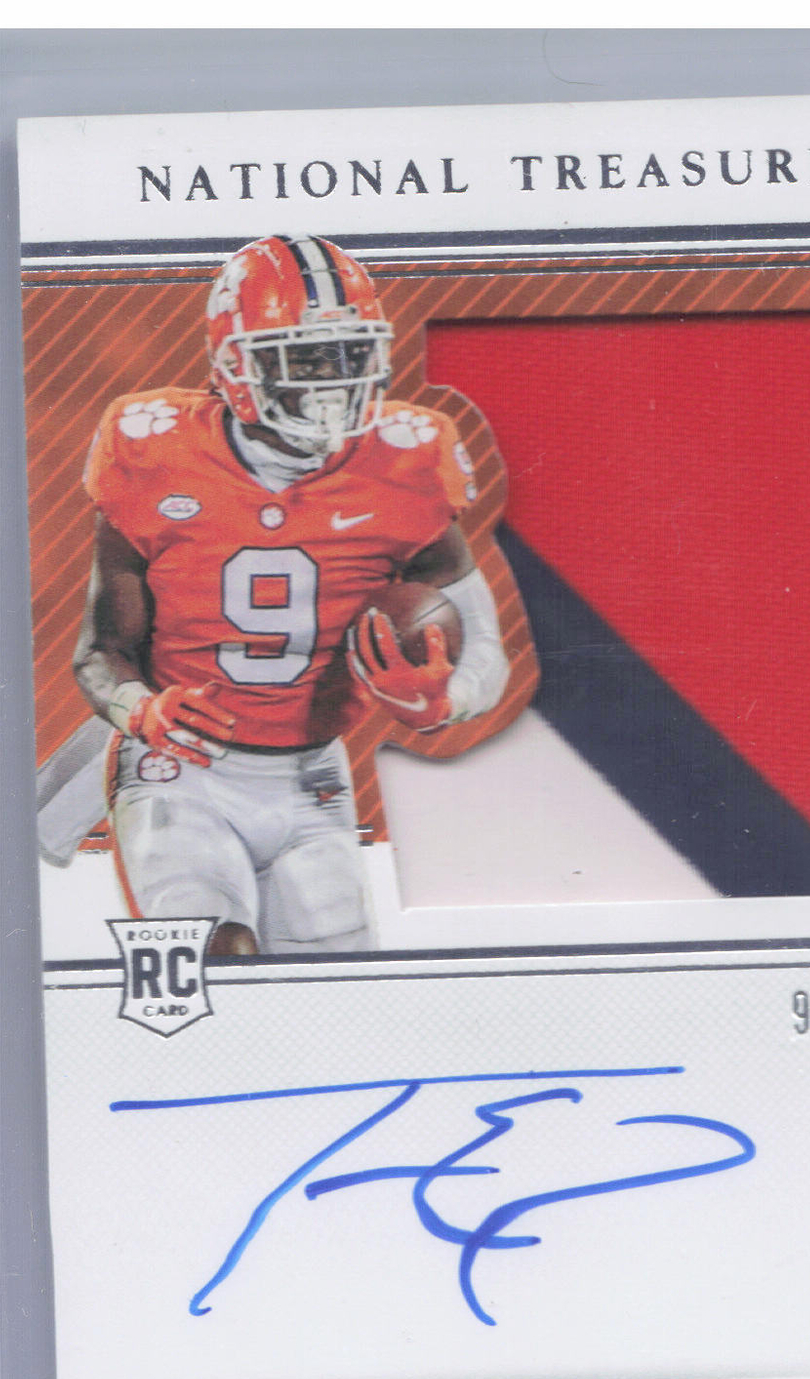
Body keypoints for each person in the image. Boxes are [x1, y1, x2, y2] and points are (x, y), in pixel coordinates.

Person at [72, 233, 511, 956]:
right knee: (217, 952)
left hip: (312, 776)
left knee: (333, 984)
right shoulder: (154, 447)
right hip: (180, 770)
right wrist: (140, 708)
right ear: (234, 364)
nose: (333, 385)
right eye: (304, 360)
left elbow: (483, 644)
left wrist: (444, 701)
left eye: (349, 355)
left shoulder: (409, 458)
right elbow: (101, 651)